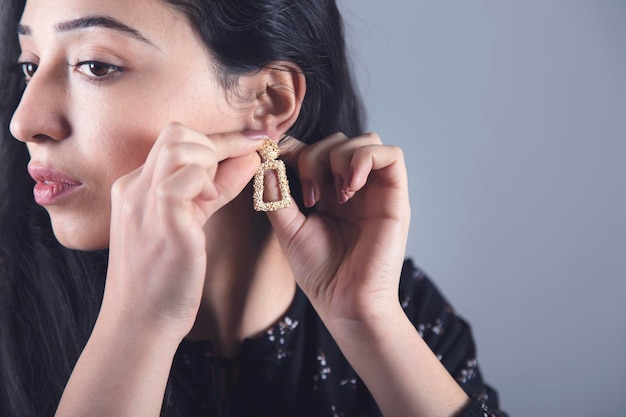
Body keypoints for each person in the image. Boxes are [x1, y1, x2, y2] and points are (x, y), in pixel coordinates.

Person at [0, 0, 507, 416]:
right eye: (29, 64)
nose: (25, 121)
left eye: (96, 65)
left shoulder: (404, 312)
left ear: (268, 100)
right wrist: (134, 327)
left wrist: (367, 320)